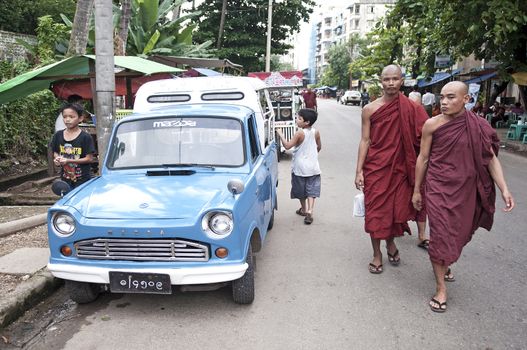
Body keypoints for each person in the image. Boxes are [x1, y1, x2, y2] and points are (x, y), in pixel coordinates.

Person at [412, 81, 514, 313]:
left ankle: (444, 261)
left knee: (457, 234)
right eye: (442, 98)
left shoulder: (478, 125)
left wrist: (504, 189)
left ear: (466, 99)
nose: (444, 102)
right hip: (438, 188)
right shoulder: (432, 125)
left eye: (451, 97)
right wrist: (417, 190)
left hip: (466, 191)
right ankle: (440, 288)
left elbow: (490, 159)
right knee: (439, 236)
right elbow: (423, 158)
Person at [354, 64, 428, 274]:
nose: (391, 83)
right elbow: (365, 140)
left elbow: (426, 137)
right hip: (376, 168)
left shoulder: (412, 108)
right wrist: (359, 170)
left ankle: (391, 243)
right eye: (387, 79)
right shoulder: (370, 109)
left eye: (395, 79)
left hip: (401, 169)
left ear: (401, 81)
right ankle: (377, 254)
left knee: (395, 211)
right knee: (376, 212)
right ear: (381, 81)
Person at [276, 108, 321, 225]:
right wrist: (312, 155)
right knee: (311, 190)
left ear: (306, 122)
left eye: (299, 118)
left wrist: (280, 133)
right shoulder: (316, 132)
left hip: (300, 167)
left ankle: (304, 209)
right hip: (313, 167)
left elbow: (287, 146)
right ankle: (310, 210)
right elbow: (319, 147)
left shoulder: (299, 133)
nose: (297, 119)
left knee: (301, 190)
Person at [51, 103, 96, 189]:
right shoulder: (58, 135)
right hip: (65, 179)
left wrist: (67, 160)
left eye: (71, 117)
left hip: (82, 180)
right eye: (65, 117)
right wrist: (57, 159)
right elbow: (56, 152)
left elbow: (89, 158)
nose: (67, 120)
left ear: (80, 118)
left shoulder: (85, 137)